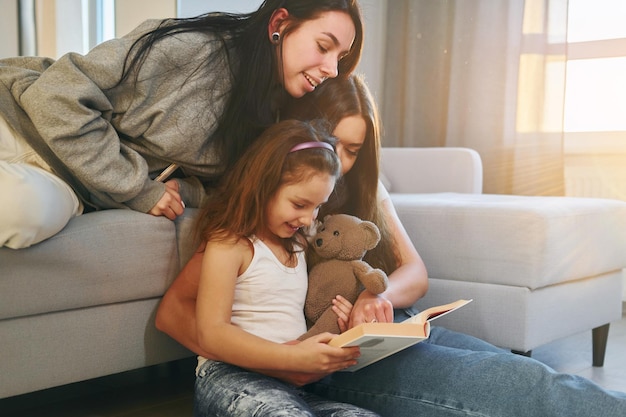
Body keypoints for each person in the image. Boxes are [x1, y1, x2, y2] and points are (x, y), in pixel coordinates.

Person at [157, 74, 626, 416]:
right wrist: (277, 361)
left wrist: (374, 295)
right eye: (332, 143)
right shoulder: (260, 218)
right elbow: (188, 314)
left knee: (519, 370)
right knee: (517, 387)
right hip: (325, 354)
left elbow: (413, 273)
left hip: (382, 329)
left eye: (354, 150)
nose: (340, 163)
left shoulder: (348, 193)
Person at [0, 0, 363, 249]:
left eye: (340, 57)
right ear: (280, 23)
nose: (332, 69)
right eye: (323, 46)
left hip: (69, 183)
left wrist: (180, 190)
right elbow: (57, 94)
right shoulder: (195, 50)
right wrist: (136, 188)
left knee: (20, 209)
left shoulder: (269, 113)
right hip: (19, 122)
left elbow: (225, 188)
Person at [190, 118, 380, 416]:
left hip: (297, 383)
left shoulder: (300, 242)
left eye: (318, 207)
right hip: (232, 376)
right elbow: (211, 333)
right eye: (299, 204)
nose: (308, 219)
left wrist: (340, 321)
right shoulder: (230, 242)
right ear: (263, 185)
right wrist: (289, 359)